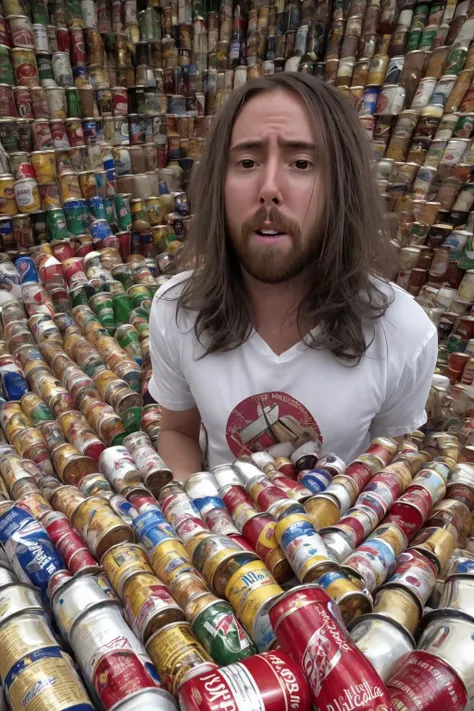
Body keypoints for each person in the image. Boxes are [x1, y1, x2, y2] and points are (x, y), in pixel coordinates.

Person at [148, 72, 437, 481]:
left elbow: (390, 469)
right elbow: (177, 431)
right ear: (219, 184)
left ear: (342, 187)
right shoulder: (175, 310)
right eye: (247, 163)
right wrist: (192, 518)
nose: (269, 189)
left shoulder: (405, 333)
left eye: (301, 164)